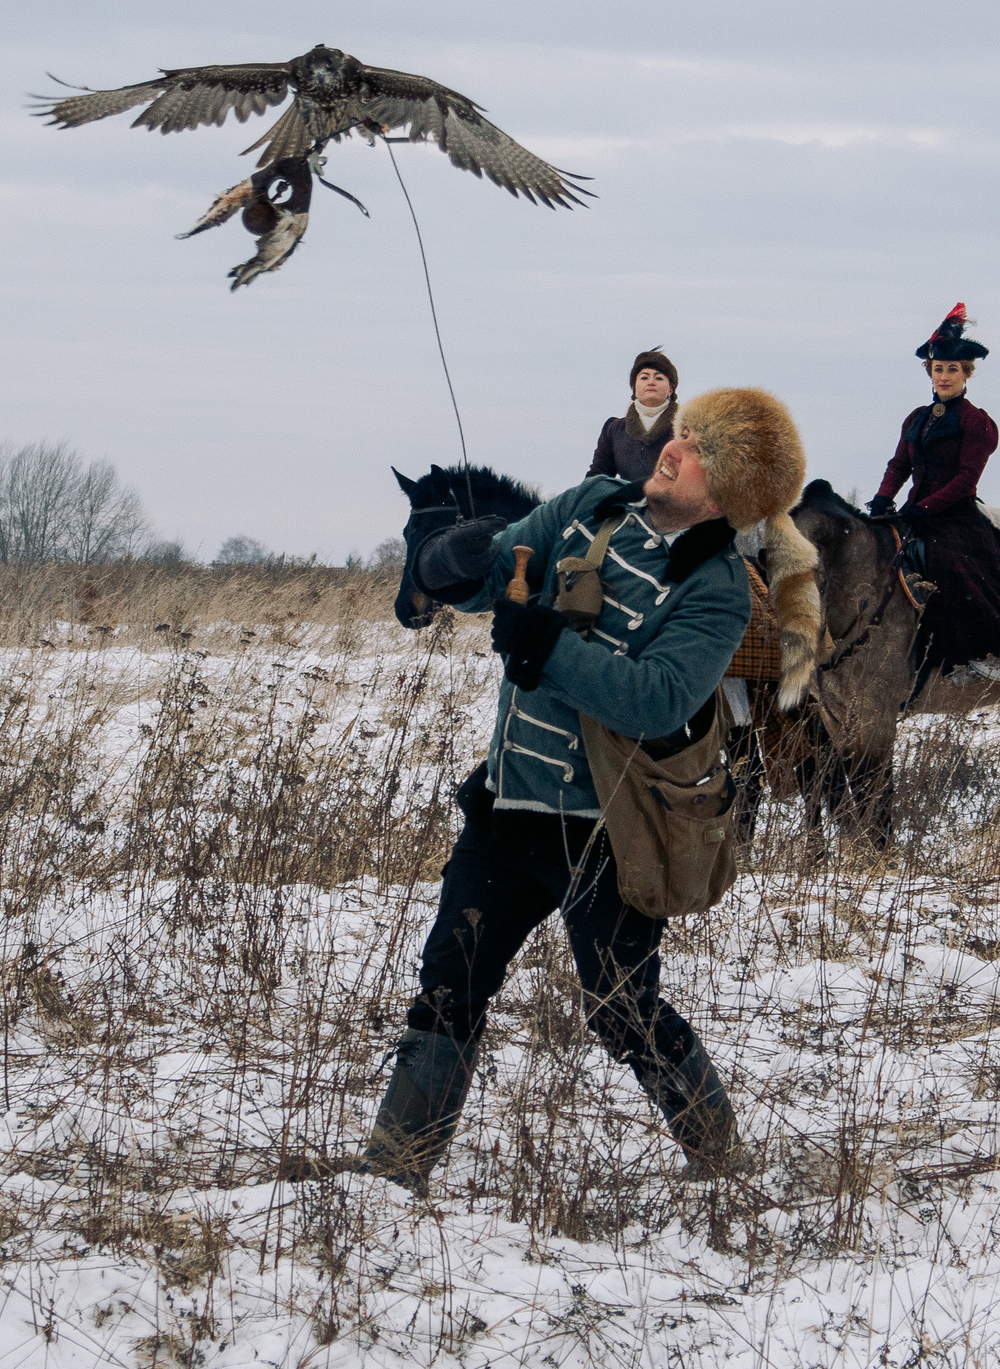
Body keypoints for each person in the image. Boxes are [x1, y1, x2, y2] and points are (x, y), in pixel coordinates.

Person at [345, 388, 805, 1194]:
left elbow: (658, 696)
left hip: (612, 834)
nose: (672, 444)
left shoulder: (721, 588)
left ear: (726, 491)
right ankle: (391, 1172)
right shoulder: (593, 502)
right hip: (509, 809)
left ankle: (724, 1164)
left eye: (696, 447)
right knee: (450, 980)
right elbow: (497, 571)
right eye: (683, 431)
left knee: (623, 1013)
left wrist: (546, 647)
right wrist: (445, 564)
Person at [867, 306, 1000, 683]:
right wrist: (883, 499)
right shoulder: (916, 418)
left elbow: (966, 478)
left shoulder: (977, 421)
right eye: (939, 369)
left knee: (950, 566)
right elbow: (899, 465)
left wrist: (927, 507)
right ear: (930, 372)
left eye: (952, 370)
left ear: (966, 374)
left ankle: (970, 658)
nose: (944, 376)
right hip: (913, 514)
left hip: (956, 518)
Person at [587, 349, 678, 482]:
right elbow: (598, 476)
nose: (651, 382)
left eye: (659, 378)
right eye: (644, 377)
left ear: (671, 389)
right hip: (627, 500)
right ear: (634, 387)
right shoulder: (614, 429)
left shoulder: (688, 429)